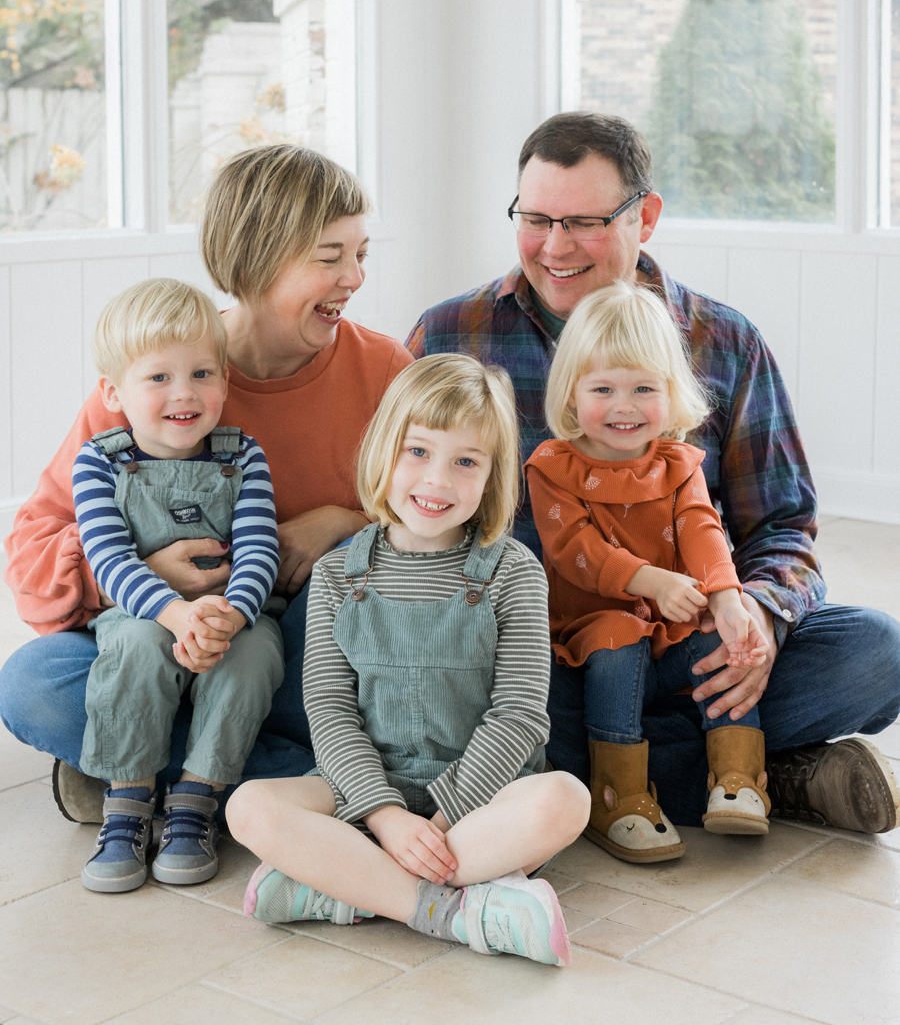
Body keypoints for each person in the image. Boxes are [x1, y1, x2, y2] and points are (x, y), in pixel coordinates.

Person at [407, 111, 900, 832]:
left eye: (585, 221)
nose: (555, 246)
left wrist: (756, 617)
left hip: (690, 647)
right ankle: (760, 775)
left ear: (648, 217)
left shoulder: (725, 342)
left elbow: (784, 525)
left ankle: (630, 777)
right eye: (536, 218)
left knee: (876, 654)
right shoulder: (450, 335)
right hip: (540, 656)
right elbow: (398, 497)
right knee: (488, 707)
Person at [0, 144, 412, 822]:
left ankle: (133, 771)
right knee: (31, 685)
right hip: (150, 639)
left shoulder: (385, 371)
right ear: (258, 257)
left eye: (361, 254)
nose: (355, 277)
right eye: (330, 257)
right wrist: (139, 576)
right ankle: (299, 786)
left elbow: (450, 520)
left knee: (347, 586)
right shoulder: (160, 376)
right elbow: (33, 546)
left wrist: (348, 520)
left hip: (279, 657)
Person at [226, 353, 590, 967]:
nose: (437, 481)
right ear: (383, 451)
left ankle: (349, 887)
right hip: (365, 797)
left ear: (492, 474)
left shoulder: (514, 573)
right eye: (417, 452)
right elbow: (331, 711)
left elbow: (520, 716)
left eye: (465, 461)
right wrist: (388, 818)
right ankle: (450, 909)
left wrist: (445, 818)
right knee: (248, 808)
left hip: (480, 806)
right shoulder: (340, 573)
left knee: (566, 799)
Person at [526, 282, 772, 863]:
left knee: (736, 641)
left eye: (644, 388)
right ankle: (619, 795)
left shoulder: (678, 464)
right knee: (617, 640)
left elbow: (701, 528)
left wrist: (730, 600)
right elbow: (574, 550)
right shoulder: (553, 468)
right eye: (603, 389)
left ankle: (737, 778)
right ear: (572, 392)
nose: (625, 407)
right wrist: (650, 581)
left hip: (671, 629)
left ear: (670, 391)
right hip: (588, 635)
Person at [74, 278, 284, 893]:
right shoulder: (98, 461)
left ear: (224, 378)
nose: (184, 394)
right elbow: (108, 560)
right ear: (114, 392)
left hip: (229, 620)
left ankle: (196, 796)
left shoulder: (243, 454)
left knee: (260, 653)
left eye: (201, 373)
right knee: (132, 649)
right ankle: (128, 799)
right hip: (144, 617)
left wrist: (232, 617)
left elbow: (258, 548)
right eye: (158, 378)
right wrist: (173, 615)